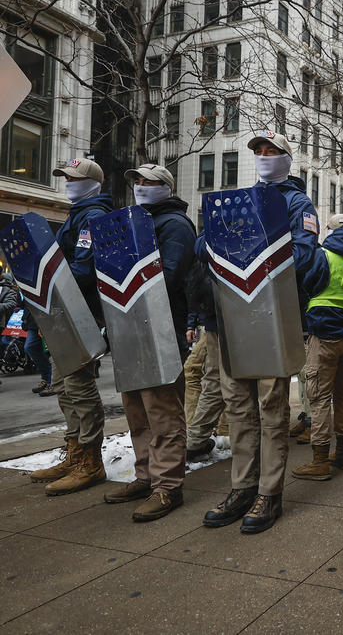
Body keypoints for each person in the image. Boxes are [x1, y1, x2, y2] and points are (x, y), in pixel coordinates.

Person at [200, 131, 328, 533]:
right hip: (232, 316)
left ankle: (269, 493)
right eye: (258, 151)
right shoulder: (237, 201)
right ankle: (242, 487)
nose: (264, 157)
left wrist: (255, 246)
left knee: (271, 407)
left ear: (288, 160)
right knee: (237, 407)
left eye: (272, 151)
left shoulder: (297, 203)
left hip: (271, 316)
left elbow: (304, 255)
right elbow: (204, 245)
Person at [102, 164, 194, 521]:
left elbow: (169, 276)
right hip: (129, 327)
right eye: (137, 181)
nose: (141, 186)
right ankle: (146, 477)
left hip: (160, 328)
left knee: (163, 412)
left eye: (150, 181)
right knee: (137, 412)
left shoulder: (174, 224)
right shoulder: (132, 220)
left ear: (166, 188)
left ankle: (168, 486)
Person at [29, 158, 113, 495]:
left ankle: (90, 462)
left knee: (78, 387)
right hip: (63, 313)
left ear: (93, 183)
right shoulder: (78, 215)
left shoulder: (92, 217)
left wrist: (47, 296)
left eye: (74, 178)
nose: (67, 182)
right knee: (64, 387)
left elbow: (82, 270)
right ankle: (76, 452)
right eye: (64, 177)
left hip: (78, 313)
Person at [292, 213, 343, 480]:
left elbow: (308, 285)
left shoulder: (322, 254)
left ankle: (320, 460)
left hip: (324, 334)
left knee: (320, 397)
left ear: (332, 230)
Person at [184, 255, 227, 459]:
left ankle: (197, 437)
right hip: (214, 318)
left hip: (216, 319)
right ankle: (196, 437)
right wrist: (192, 323)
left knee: (215, 380)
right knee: (215, 379)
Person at [24, 308, 53, 397]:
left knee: (52, 351)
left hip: (47, 317)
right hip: (32, 320)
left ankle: (52, 382)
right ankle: (46, 378)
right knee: (30, 347)